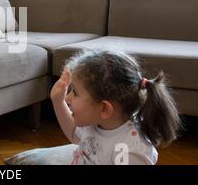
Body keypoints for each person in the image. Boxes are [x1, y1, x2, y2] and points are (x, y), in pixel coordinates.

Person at [50, 49, 181, 165]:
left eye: (75, 93)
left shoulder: (128, 151)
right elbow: (74, 134)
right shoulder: (94, 120)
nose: (68, 98)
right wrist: (58, 101)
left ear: (104, 109)